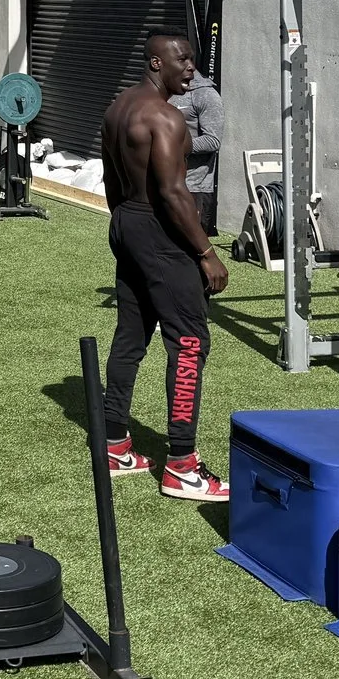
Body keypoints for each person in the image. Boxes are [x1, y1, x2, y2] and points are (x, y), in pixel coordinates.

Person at [98, 32, 231, 502]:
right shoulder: (167, 118)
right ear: (157, 62)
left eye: (192, 60)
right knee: (190, 341)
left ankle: (114, 446)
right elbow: (174, 194)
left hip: (126, 222)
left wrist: (128, 227)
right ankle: (182, 465)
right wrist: (206, 253)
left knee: (130, 337)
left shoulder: (117, 108)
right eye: (183, 60)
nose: (190, 68)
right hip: (159, 230)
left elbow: (111, 178)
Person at [170, 64, 224, 235]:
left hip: (193, 187)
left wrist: (171, 148)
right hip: (164, 182)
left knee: (190, 246)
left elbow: (213, 140)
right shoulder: (164, 91)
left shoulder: (205, 94)